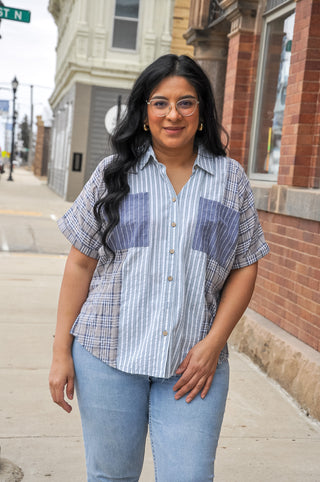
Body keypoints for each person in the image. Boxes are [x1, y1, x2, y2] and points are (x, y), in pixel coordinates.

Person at [49, 54, 269, 481]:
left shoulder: (230, 179)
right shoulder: (112, 174)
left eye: (186, 103)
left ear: (202, 113)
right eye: (160, 103)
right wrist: (61, 353)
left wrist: (213, 344)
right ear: (144, 113)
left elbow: (245, 265)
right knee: (111, 476)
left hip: (192, 366)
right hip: (107, 357)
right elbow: (79, 263)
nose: (173, 114)